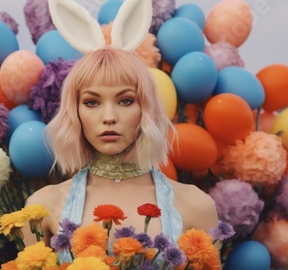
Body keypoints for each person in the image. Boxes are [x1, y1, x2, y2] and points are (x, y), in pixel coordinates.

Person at [21, 46, 220, 252]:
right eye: (91, 102)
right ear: (75, 112)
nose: (109, 117)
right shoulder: (43, 206)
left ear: (146, 109)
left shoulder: (196, 205)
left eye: (125, 101)